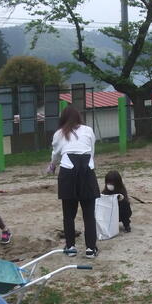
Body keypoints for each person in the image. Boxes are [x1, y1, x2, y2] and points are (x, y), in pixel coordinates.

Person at [48, 106, 100, 258]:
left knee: (68, 214)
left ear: (63, 118)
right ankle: (91, 249)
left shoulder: (59, 133)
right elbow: (91, 151)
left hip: (68, 173)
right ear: (78, 117)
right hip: (87, 171)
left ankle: (70, 247)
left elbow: (55, 154)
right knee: (89, 214)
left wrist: (52, 166)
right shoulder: (88, 130)